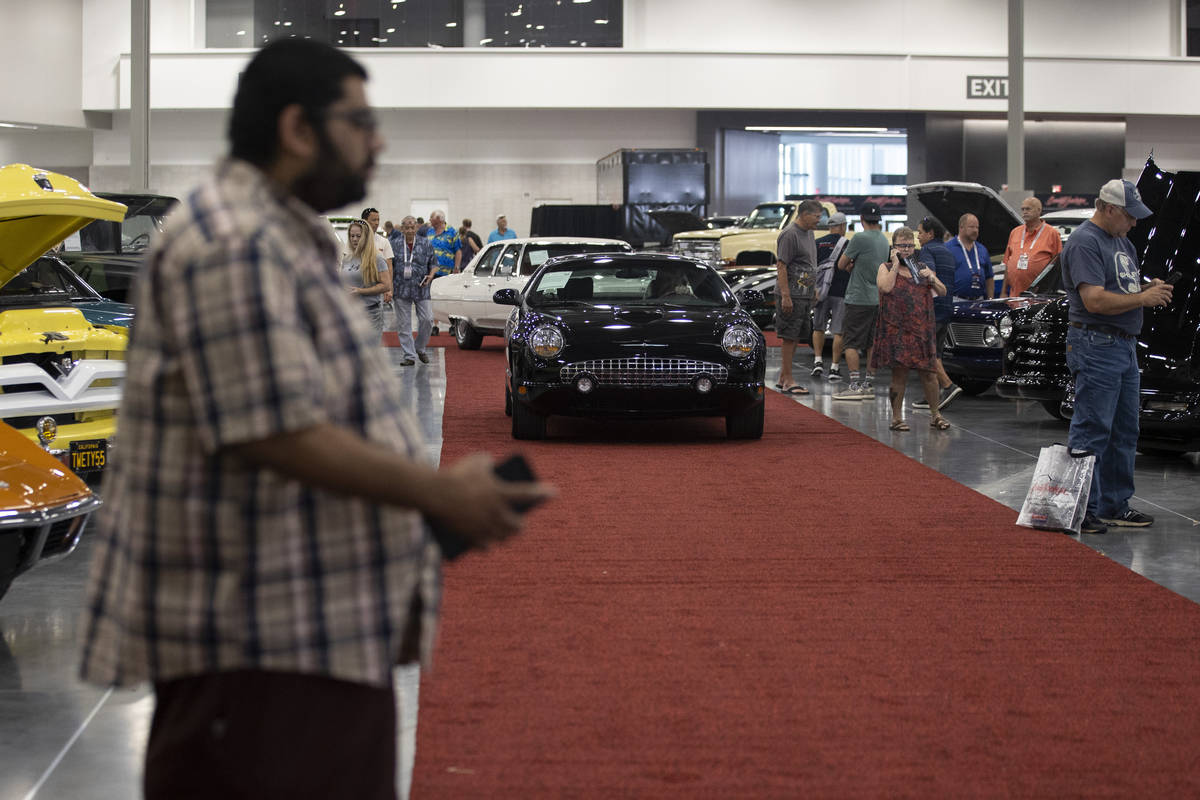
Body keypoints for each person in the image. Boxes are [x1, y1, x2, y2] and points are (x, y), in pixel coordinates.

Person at [78, 40, 553, 800]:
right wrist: (437, 494)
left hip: (301, 631)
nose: (379, 139)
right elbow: (271, 429)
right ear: (299, 128)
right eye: (361, 121)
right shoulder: (233, 241)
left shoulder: (276, 234)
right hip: (255, 647)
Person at [1061, 179, 1172, 535]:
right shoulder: (1084, 242)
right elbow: (1094, 300)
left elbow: (1118, 289)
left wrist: (1144, 289)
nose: (1134, 224)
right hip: (1096, 343)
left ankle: (1112, 504)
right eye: (1129, 216)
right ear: (1109, 209)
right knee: (1093, 428)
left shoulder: (1121, 242)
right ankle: (1081, 508)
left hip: (1122, 346)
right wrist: (1142, 299)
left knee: (1125, 429)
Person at [871, 227, 949, 431]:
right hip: (896, 331)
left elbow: (942, 291)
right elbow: (885, 288)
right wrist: (896, 264)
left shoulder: (922, 267)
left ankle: (935, 415)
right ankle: (896, 418)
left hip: (921, 330)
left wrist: (931, 278)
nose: (906, 250)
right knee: (899, 375)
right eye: (901, 246)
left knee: (929, 374)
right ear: (894, 247)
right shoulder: (885, 267)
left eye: (909, 246)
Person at [832, 201, 889, 401]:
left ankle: (855, 386)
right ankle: (868, 384)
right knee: (871, 343)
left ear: (862, 219)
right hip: (877, 299)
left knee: (851, 343)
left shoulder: (859, 238)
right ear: (878, 219)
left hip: (858, 298)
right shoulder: (883, 239)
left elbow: (840, 264)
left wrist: (851, 266)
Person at [773, 198, 823, 395]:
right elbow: (781, 265)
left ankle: (783, 377)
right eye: (817, 216)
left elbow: (810, 263)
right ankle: (788, 380)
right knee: (789, 337)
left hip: (804, 295)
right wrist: (786, 295)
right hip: (791, 295)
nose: (819, 220)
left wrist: (814, 288)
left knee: (795, 338)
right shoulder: (789, 234)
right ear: (804, 214)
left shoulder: (809, 233)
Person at [912, 216, 963, 411]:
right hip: (947, 306)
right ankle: (931, 396)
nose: (918, 236)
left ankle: (948, 386)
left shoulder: (927, 250)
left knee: (926, 351)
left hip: (931, 307)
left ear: (930, 233)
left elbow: (928, 275)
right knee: (936, 352)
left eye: (920, 232)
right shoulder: (948, 252)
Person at [811, 211, 850, 381]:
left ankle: (818, 361)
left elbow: (811, 267)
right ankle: (834, 367)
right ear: (842, 226)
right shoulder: (848, 244)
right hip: (841, 292)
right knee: (838, 331)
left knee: (818, 327)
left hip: (820, 292)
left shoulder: (817, 243)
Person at [393, 215, 437, 366]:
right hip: (400, 288)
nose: (410, 230)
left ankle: (420, 347)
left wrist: (430, 276)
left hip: (421, 288)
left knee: (428, 319)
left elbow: (434, 263)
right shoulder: (394, 244)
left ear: (417, 227)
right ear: (402, 228)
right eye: (407, 227)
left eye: (413, 227)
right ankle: (409, 355)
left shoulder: (426, 243)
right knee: (404, 324)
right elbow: (389, 266)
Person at [1001, 196, 1062, 297]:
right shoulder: (1015, 232)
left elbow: (1058, 266)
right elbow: (1008, 264)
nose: (1024, 212)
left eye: (1028, 209)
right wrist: (1003, 292)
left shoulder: (1052, 233)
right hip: (1015, 295)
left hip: (1039, 296)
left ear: (1039, 211)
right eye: (1023, 209)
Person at [342, 218, 391, 340]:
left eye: (358, 236)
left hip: (370, 312)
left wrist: (360, 291)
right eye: (352, 236)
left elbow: (386, 285)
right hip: (350, 312)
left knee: (369, 352)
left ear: (365, 237)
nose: (354, 239)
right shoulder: (347, 259)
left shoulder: (377, 259)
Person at [947, 213, 993, 300]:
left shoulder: (982, 249)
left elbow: (989, 278)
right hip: (956, 300)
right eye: (971, 227)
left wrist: (991, 299)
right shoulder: (948, 248)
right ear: (961, 227)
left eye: (977, 227)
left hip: (979, 301)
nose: (975, 230)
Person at [426, 209, 461, 277]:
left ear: (438, 219)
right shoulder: (429, 231)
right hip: (430, 272)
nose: (429, 220)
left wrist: (457, 267)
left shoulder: (452, 232)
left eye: (431, 218)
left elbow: (458, 251)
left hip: (446, 273)